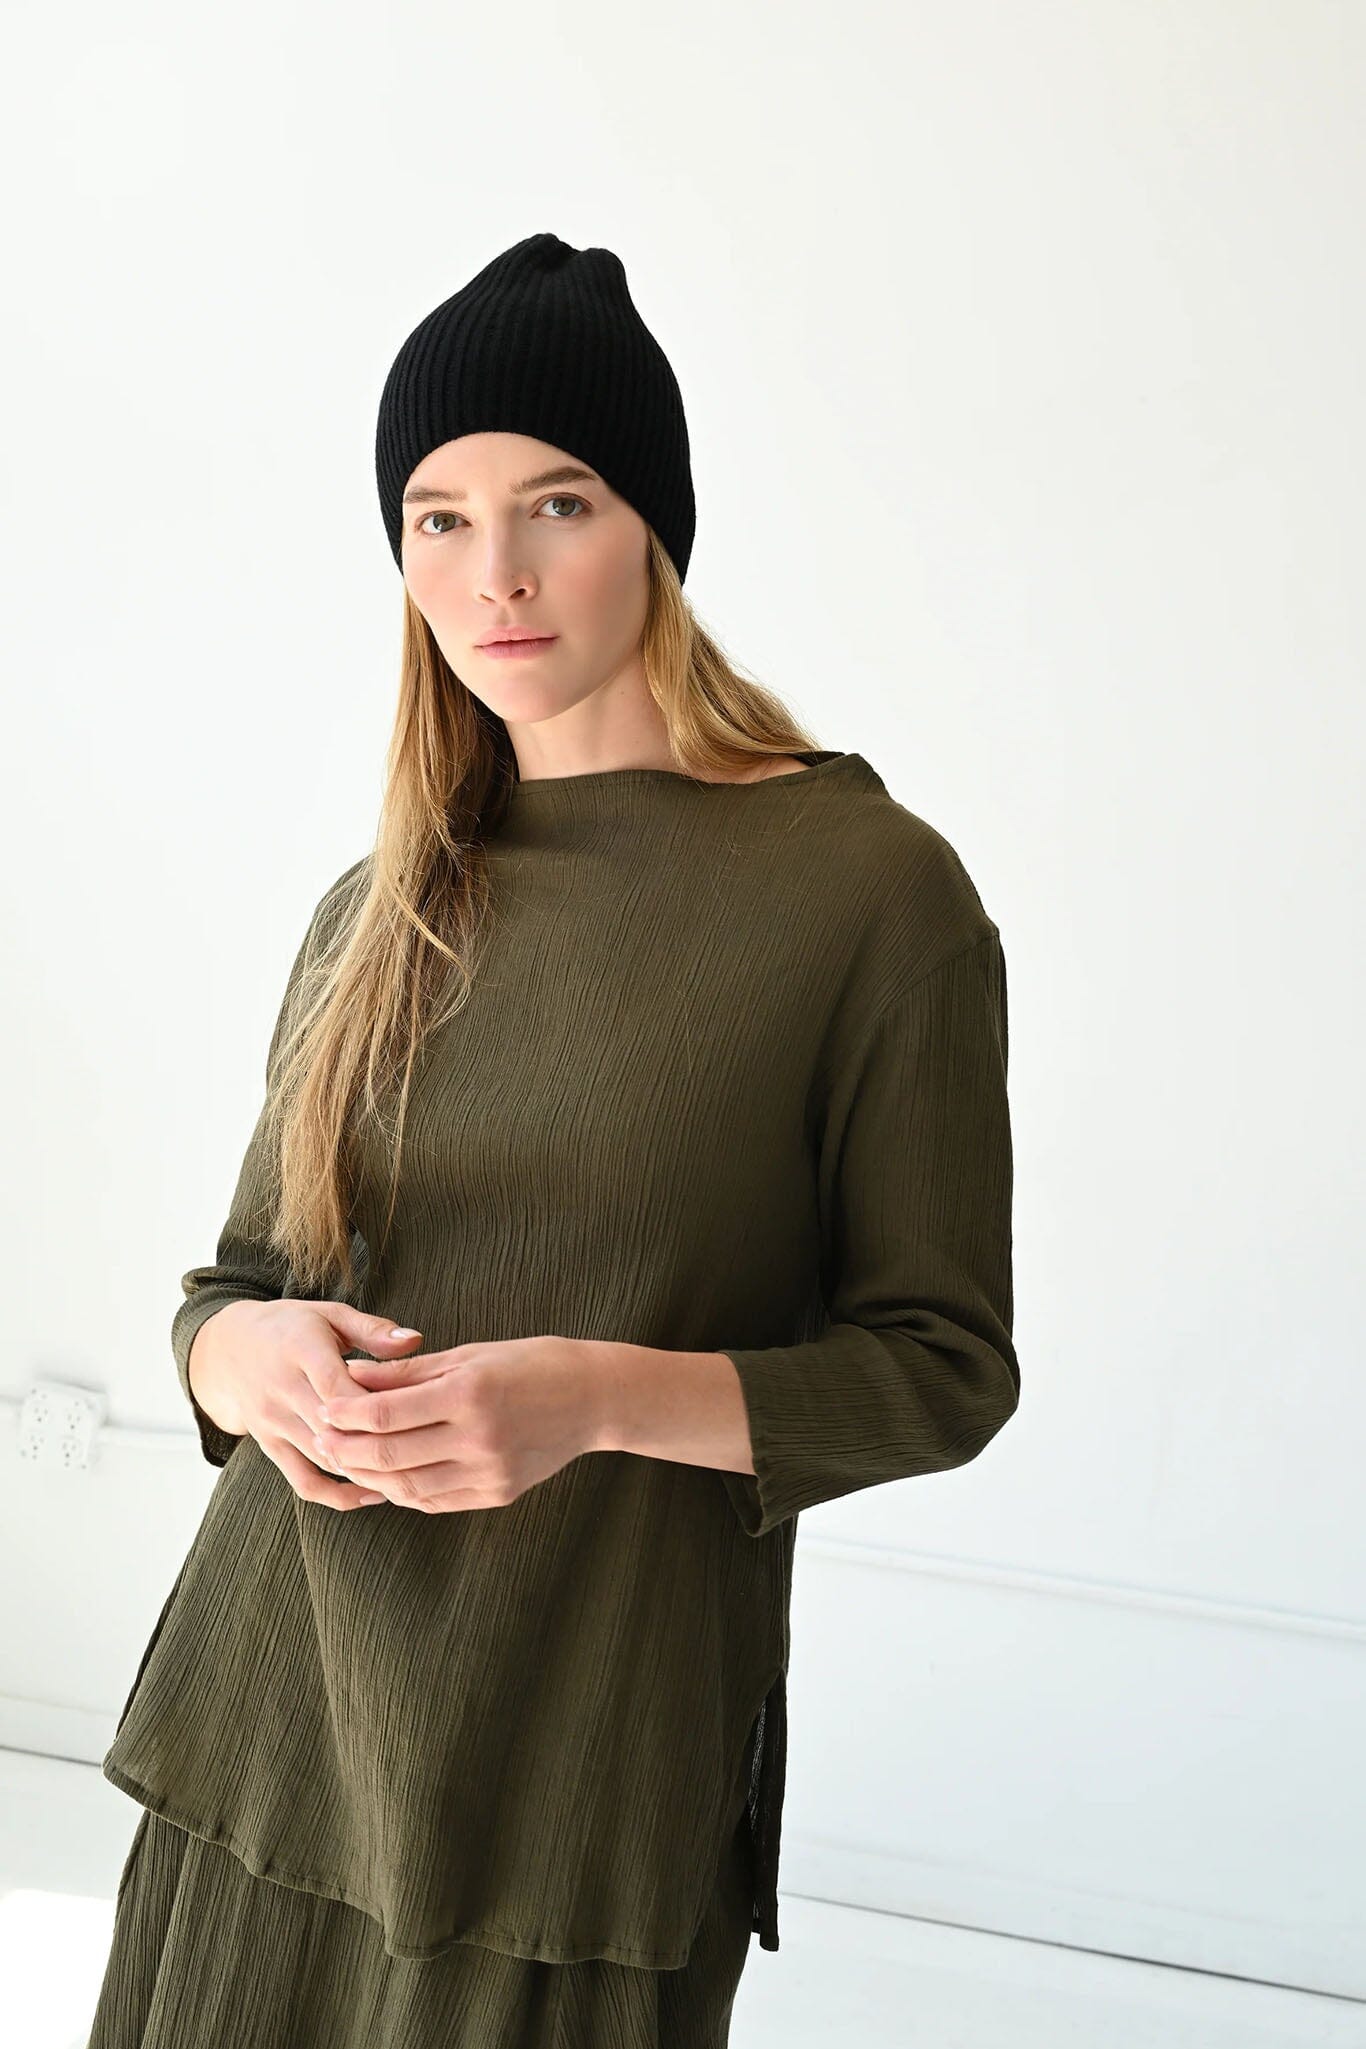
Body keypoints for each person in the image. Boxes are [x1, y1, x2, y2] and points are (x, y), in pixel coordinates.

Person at [88, 230, 1021, 2048]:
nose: (491, 574)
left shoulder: (868, 894)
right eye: (435, 515)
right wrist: (246, 1352)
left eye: (556, 502)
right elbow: (228, 1293)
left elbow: (940, 1371)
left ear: (653, 527)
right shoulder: (382, 898)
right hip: (262, 1740)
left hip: (582, 1794)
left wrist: (595, 1396)